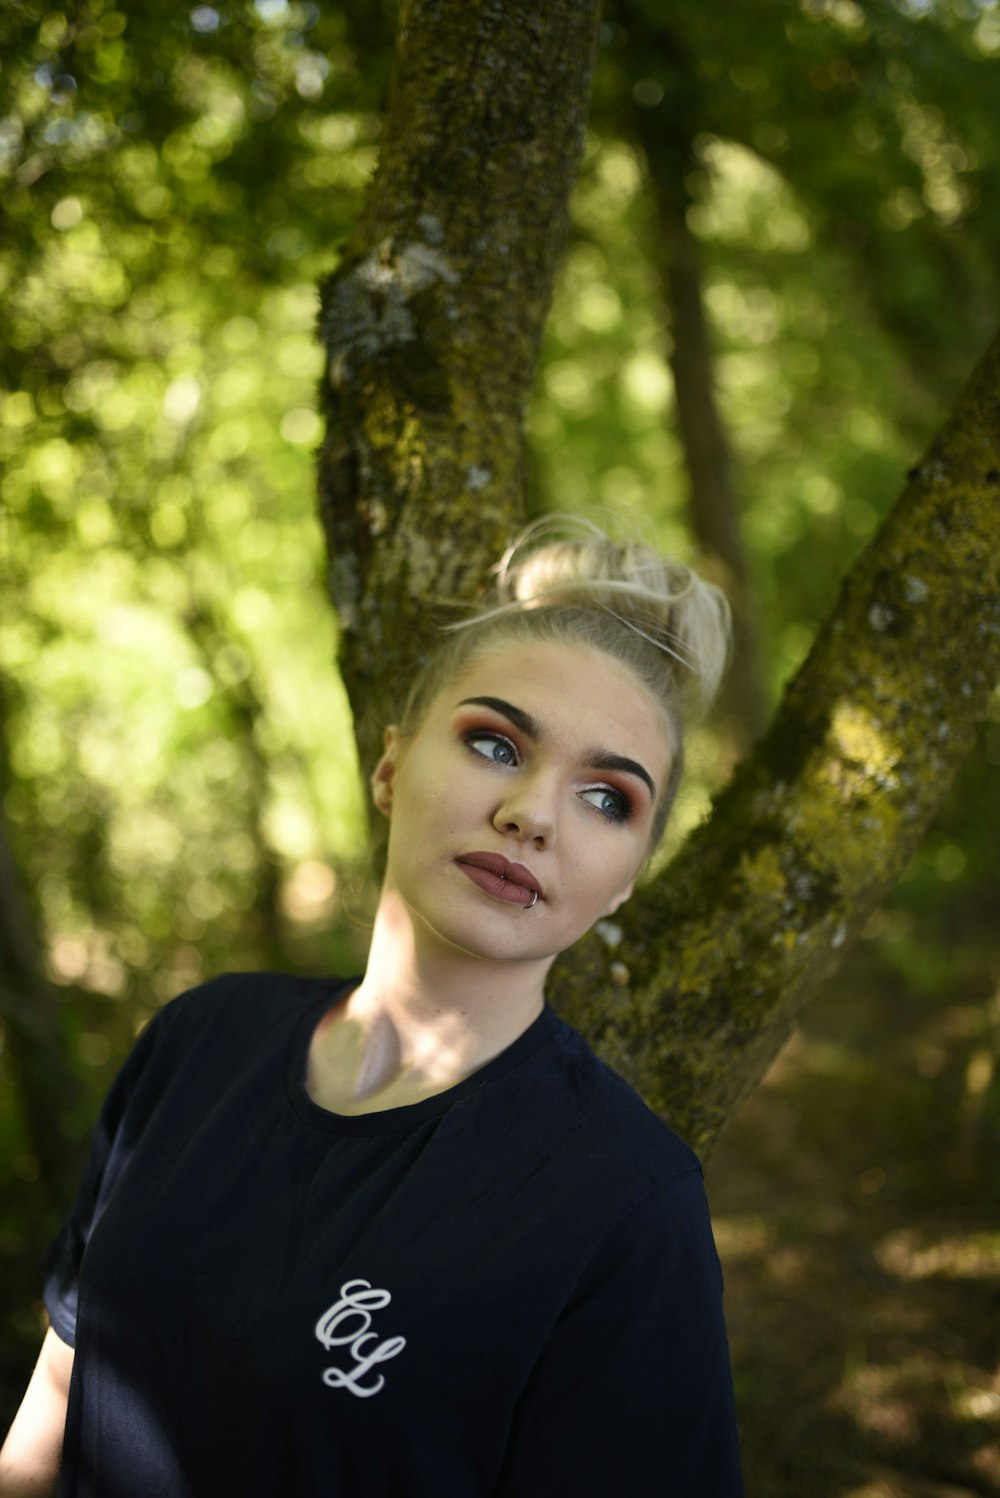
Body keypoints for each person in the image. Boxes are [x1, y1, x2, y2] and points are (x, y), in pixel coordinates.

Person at [0, 516, 745, 1497]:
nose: (531, 812)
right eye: (493, 742)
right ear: (390, 767)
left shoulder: (626, 1201)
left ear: (624, 883)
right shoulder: (199, 1038)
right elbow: (62, 1382)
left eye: (607, 798)